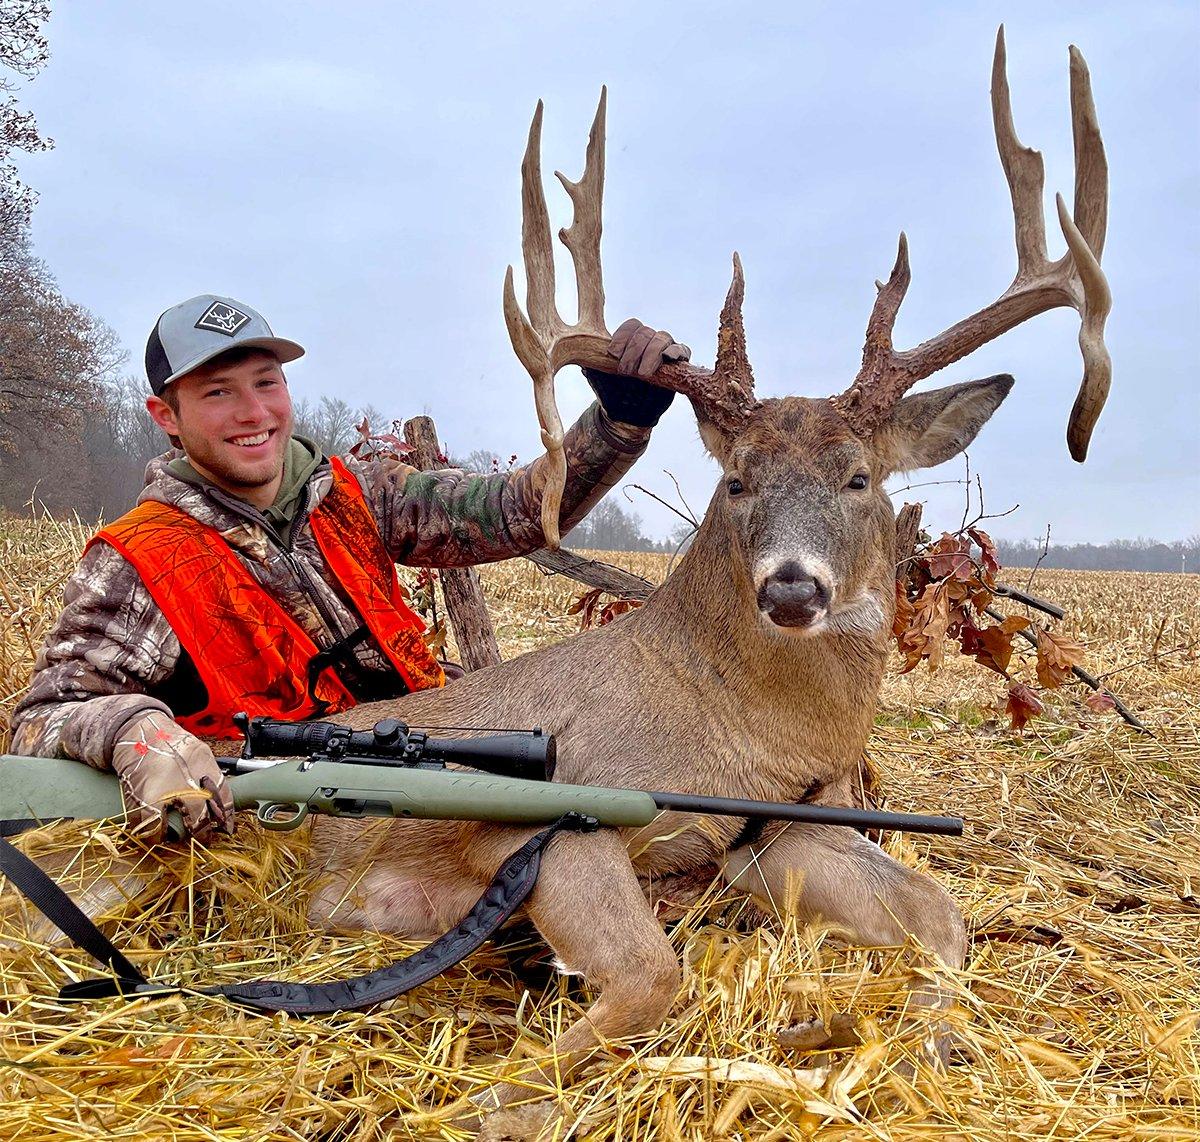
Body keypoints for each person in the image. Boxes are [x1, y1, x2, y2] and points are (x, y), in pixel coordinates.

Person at [12, 294, 688, 841]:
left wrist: (619, 421)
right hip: (292, 824)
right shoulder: (140, 558)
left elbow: (515, 511)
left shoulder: (357, 492)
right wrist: (135, 730)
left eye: (266, 383)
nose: (254, 413)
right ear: (167, 416)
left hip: (434, 758)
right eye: (217, 393)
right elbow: (42, 720)